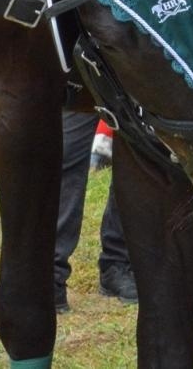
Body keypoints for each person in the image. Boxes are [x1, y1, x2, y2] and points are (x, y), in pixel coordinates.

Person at [55, 109, 137, 312]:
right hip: (77, 81)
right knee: (68, 152)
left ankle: (117, 265)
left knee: (133, 156)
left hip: (131, 80)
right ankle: (50, 275)